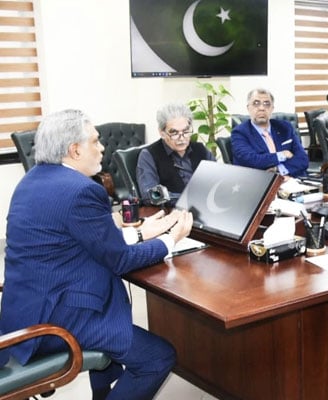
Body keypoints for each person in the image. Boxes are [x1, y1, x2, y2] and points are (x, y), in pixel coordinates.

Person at [0, 109, 193, 400]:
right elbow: (120, 260)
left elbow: (80, 243)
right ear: (74, 150)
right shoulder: (81, 191)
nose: (102, 147)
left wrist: (142, 232)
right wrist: (170, 240)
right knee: (158, 357)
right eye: (95, 141)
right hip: (58, 320)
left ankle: (101, 393)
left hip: (24, 310)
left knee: (112, 308)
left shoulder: (31, 181)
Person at [137, 103, 215, 205]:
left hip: (207, 208)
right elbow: (151, 195)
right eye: (174, 133)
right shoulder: (148, 155)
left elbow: (218, 178)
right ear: (162, 133)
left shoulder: (200, 149)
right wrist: (189, 199)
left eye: (186, 131)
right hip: (172, 213)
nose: (181, 138)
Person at [231, 88, 309, 178]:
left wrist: (279, 169)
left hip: (292, 180)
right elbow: (251, 160)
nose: (261, 108)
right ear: (248, 108)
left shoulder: (285, 128)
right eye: (256, 103)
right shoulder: (240, 132)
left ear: (272, 109)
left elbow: (303, 159)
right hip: (259, 184)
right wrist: (282, 154)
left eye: (267, 104)